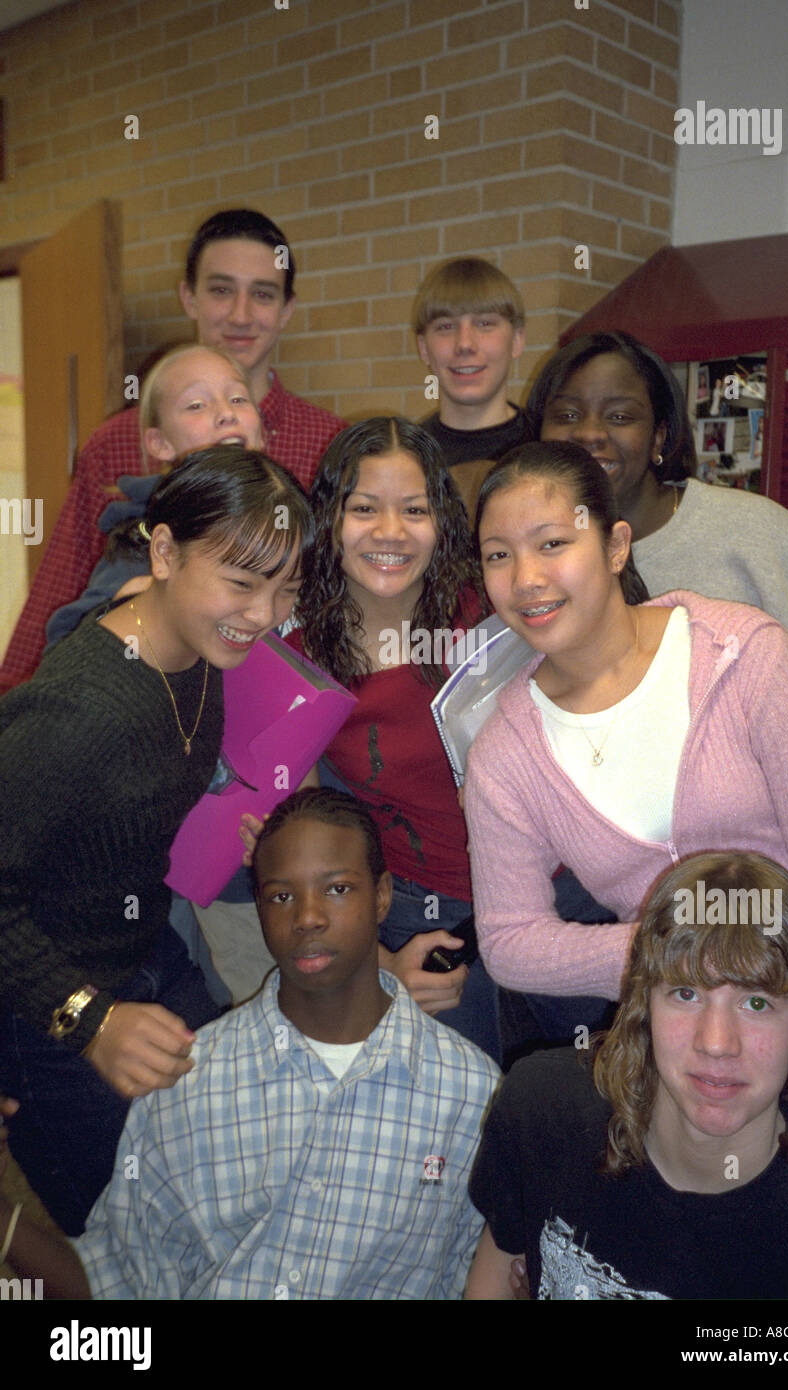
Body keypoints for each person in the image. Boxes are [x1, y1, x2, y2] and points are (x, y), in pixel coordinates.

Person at [463, 440, 788, 1125]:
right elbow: (509, 942)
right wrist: (677, 948)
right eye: (499, 554)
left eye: (552, 542)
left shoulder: (742, 657)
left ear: (616, 545)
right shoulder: (504, 751)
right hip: (686, 1060)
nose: (526, 577)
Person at [0, 788, 500, 1299]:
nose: (307, 917)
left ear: (383, 896)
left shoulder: (470, 1096)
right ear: (259, 908)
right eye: (282, 896)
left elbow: (485, 1275)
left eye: (338, 889)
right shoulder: (186, 1082)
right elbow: (114, 1285)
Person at [0, 446, 311, 1234]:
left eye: (285, 588)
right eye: (241, 582)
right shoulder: (77, 711)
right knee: (113, 1238)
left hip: (147, 959)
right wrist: (89, 1019)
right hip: (48, 1013)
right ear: (165, 551)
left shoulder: (200, 649)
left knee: (229, 1169)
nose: (264, 613)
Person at [466, 852, 788, 1300]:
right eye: (686, 992)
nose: (716, 1042)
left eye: (756, 1002)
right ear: (643, 1004)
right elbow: (496, 1273)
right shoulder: (541, 1109)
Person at [1, 207, 345, 692]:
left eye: (263, 294)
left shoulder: (329, 443)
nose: (241, 314)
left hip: (274, 707)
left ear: (287, 309)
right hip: (144, 697)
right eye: (221, 290)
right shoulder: (115, 442)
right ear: (189, 297)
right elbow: (61, 588)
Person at [528, 329, 788, 813]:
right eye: (566, 414)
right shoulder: (534, 567)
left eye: (620, 416)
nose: (589, 433)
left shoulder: (759, 538)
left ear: (660, 437)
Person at [289, 417, 501, 1059]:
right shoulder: (298, 654)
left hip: (554, 891)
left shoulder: (490, 611)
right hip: (426, 917)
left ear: (442, 521)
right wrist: (378, 962)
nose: (389, 532)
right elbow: (305, 832)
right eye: (363, 509)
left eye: (413, 509)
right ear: (330, 519)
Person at [44, 343, 265, 648]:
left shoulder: (284, 521)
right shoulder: (144, 540)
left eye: (239, 398)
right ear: (160, 444)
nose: (227, 413)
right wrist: (129, 609)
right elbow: (66, 642)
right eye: (197, 405)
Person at [413, 257, 532, 476]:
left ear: (517, 340)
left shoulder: (547, 447)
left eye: (485, 324)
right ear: (423, 348)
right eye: (446, 326)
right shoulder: (408, 457)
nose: (464, 344)